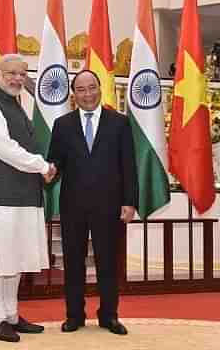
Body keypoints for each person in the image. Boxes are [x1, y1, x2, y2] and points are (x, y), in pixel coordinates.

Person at [0, 54, 56, 343]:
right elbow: (3, 148)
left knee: (14, 256)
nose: (17, 78)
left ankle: (12, 315)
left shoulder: (16, 104)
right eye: (11, 73)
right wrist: (42, 166)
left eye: (22, 73)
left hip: (22, 194)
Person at [47, 69, 137, 335]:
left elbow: (128, 166)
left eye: (92, 88)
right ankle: (74, 315)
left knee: (108, 262)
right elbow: (56, 161)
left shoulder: (119, 122)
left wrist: (129, 202)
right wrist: (49, 169)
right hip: (72, 205)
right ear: (74, 95)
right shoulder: (62, 125)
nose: (87, 94)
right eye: (81, 90)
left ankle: (109, 316)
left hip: (109, 205)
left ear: (100, 89)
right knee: (73, 262)